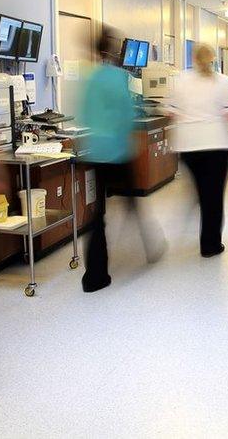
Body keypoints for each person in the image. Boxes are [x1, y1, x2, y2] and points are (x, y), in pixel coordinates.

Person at [79, 27, 163, 293]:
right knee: (132, 203)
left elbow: (84, 115)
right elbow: (127, 114)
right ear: (115, 49)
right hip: (117, 151)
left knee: (96, 215)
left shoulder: (91, 78)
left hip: (95, 152)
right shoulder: (118, 77)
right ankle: (151, 247)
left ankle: (95, 276)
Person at [167, 44, 228, 257]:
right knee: (214, 196)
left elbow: (171, 112)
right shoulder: (224, 82)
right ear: (213, 59)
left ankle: (200, 201)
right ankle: (210, 245)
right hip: (216, 145)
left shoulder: (181, 79)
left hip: (189, 147)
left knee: (203, 191)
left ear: (193, 57)